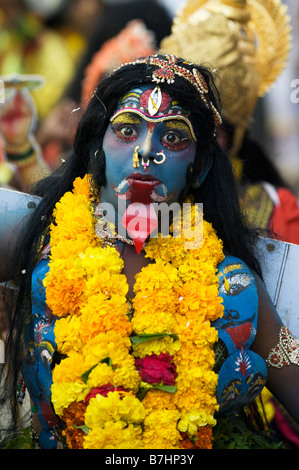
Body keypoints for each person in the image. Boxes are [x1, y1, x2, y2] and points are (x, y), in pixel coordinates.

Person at [1, 53, 299, 450]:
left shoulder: (232, 286)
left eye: (173, 137)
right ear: (97, 150)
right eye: (126, 130)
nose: (147, 151)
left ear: (200, 167)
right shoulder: (35, 243)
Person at [161, 0, 299, 246]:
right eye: (180, 128)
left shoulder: (278, 210)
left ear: (234, 136)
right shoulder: (139, 195)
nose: (197, 139)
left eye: (212, 128)